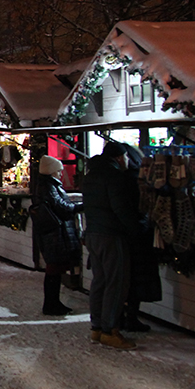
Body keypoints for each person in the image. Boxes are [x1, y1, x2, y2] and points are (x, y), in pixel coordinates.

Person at [81, 142, 142, 350]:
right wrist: (135, 228)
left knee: (100, 281)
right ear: (119, 157)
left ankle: (96, 327)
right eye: (126, 157)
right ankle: (110, 330)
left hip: (93, 234)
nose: (128, 161)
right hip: (111, 235)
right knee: (116, 283)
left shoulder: (91, 176)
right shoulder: (114, 177)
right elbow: (120, 208)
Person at [32, 155, 83, 314]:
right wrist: (79, 206)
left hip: (52, 233)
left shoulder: (46, 185)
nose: (61, 174)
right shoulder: (49, 186)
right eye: (58, 171)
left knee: (54, 270)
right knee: (54, 270)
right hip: (55, 234)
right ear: (51, 171)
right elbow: (61, 207)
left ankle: (54, 303)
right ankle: (51, 305)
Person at [119, 143, 160, 332]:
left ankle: (121, 316)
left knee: (123, 279)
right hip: (138, 236)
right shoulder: (137, 181)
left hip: (123, 236)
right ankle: (131, 317)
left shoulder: (120, 179)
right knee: (136, 279)